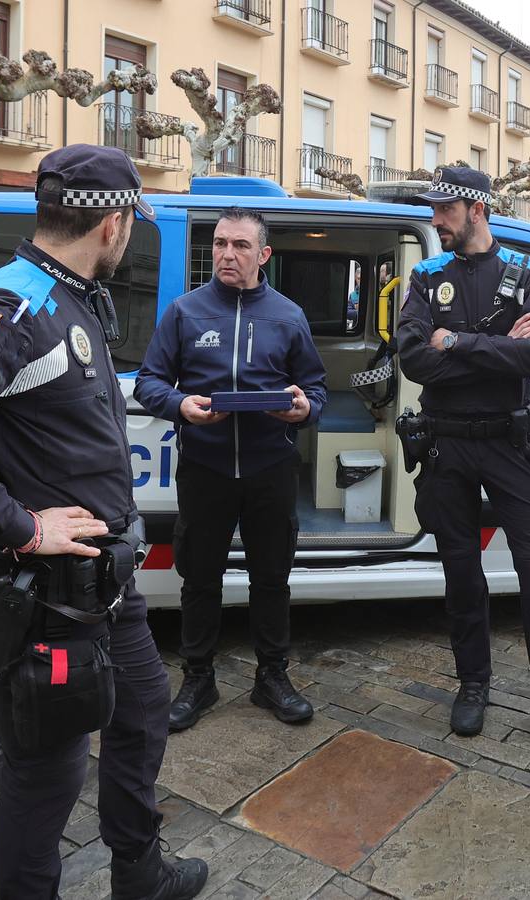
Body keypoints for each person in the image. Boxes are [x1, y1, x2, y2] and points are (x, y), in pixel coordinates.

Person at [0, 145, 207, 900]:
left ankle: (139, 871)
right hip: (48, 599)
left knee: (143, 712)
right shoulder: (11, 303)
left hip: (101, 587)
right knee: (46, 778)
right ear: (113, 223)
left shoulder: (71, 293)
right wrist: (19, 524)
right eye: (132, 224)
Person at [394, 166, 530, 759]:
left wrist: (456, 341)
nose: (435, 220)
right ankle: (473, 683)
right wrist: (497, 346)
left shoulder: (527, 273)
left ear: (475, 208)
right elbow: (412, 360)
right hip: (447, 446)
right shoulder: (428, 275)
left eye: (444, 210)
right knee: (461, 575)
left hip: (510, 446)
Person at [135, 206, 327, 732]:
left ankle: (272, 677)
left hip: (270, 466)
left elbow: (315, 390)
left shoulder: (288, 316)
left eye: (240, 245)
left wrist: (302, 409)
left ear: (262, 254)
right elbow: (150, 383)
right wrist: (181, 406)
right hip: (206, 467)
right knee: (199, 577)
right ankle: (198, 678)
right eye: (220, 243)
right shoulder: (184, 312)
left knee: (272, 577)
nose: (226, 254)